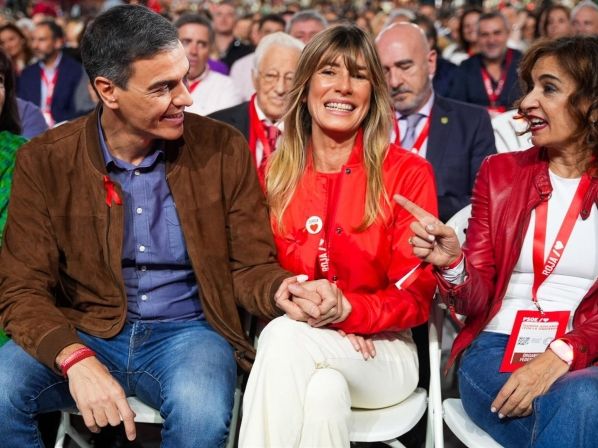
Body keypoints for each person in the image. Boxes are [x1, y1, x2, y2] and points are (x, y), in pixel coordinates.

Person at [0, 5, 293, 447]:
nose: (186, 98)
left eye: (184, 79)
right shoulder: (45, 160)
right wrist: (73, 356)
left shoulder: (222, 148)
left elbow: (249, 265)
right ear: (108, 90)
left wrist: (279, 288)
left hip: (190, 333)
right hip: (84, 328)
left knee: (200, 414)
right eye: (163, 87)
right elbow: (21, 288)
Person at [239, 24, 438, 447]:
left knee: (282, 338)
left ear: (373, 92)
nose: (344, 87)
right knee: (323, 392)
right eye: (329, 72)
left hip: (382, 351)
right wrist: (292, 299)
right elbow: (255, 269)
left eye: (359, 75)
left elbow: (415, 297)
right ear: (305, 87)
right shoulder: (274, 173)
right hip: (301, 339)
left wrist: (349, 310)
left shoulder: (407, 173)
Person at [400, 36, 598, 447]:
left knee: (581, 397)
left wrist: (563, 353)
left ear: (591, 103)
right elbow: (474, 302)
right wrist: (453, 264)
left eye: (548, 88)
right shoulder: (500, 173)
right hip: (498, 346)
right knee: (582, 407)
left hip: (587, 352)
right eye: (530, 88)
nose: (526, 103)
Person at [376, 22, 496, 223]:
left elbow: (486, 198)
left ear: (431, 62)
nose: (394, 81)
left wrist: (415, 205)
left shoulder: (471, 122)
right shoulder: (367, 123)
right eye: (384, 71)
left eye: (405, 67)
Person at [209, 32, 303, 186]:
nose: (280, 88)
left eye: (290, 78)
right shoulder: (216, 127)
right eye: (271, 76)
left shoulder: (312, 132)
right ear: (254, 78)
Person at [448, 11, 523, 117]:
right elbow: (456, 107)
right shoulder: (466, 67)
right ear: (477, 37)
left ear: (507, 33)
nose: (491, 40)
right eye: (485, 35)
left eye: (497, 33)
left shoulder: (524, 62)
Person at [17, 19, 86, 126]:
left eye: (41, 40)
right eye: (33, 39)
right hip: (32, 129)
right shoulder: (27, 73)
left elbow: (80, 110)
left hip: (65, 129)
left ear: (58, 42)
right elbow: (21, 108)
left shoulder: (76, 71)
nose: (35, 45)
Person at [175, 13, 242, 116]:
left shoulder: (227, 87)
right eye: (186, 42)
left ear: (210, 49)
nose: (194, 51)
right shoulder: (158, 81)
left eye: (202, 44)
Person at [229, 14, 286, 101]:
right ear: (258, 34)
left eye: (278, 33)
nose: (272, 37)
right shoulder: (240, 66)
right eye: (267, 32)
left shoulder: (292, 65)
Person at [212, 0, 254, 69]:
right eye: (219, 14)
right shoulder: (205, 47)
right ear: (213, 19)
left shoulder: (245, 50)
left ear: (236, 19)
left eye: (229, 15)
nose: (223, 19)